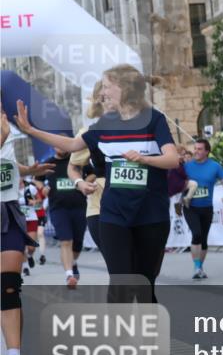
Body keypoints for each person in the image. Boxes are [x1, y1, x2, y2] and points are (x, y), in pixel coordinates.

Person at [15, 65, 180, 304]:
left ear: (122, 88)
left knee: (144, 285)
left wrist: (144, 159)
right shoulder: (105, 123)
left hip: (151, 213)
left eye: (106, 86)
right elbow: (72, 144)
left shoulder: (153, 119)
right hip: (113, 214)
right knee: (121, 281)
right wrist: (32, 130)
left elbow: (173, 159)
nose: (101, 93)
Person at [1, 111, 53, 355]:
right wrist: (4, 135)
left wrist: (29, 170)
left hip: (7, 212)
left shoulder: (4, 126)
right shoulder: (4, 130)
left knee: (8, 285)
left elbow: (6, 163)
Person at [41, 148, 91, 288]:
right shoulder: (49, 163)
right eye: (58, 146)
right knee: (65, 241)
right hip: (58, 208)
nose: (61, 148)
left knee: (77, 244)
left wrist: (83, 182)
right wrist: (43, 189)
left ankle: (73, 262)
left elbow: (93, 174)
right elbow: (37, 180)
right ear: (54, 148)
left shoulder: (77, 160)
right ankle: (69, 275)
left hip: (79, 207)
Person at [67, 82, 107, 252]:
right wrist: (80, 183)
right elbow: (73, 167)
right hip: (99, 207)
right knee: (119, 266)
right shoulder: (88, 133)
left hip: (136, 204)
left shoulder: (140, 127)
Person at [183, 139, 223, 279]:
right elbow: (176, 182)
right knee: (196, 234)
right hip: (190, 206)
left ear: (206, 152)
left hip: (207, 208)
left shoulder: (215, 166)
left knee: (203, 239)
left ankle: (199, 267)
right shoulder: (187, 166)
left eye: (199, 149)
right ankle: (197, 266)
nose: (196, 151)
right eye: (195, 148)